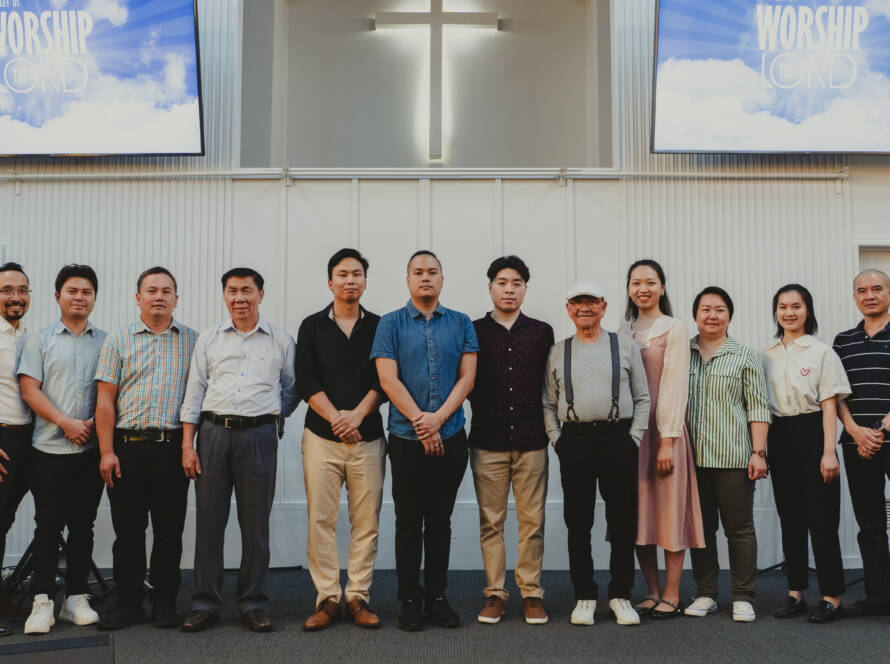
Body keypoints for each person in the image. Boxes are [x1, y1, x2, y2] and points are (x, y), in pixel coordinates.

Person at [179, 267, 297, 633]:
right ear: (225, 296)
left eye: (247, 290)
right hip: (213, 435)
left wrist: (267, 416)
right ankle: (205, 603)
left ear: (261, 294)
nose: (239, 298)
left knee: (255, 525)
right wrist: (187, 445)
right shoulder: (210, 339)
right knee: (209, 523)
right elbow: (195, 391)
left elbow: (291, 390)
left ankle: (253, 603)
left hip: (258, 437)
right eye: (232, 291)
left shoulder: (281, 341)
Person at [371, 250, 478, 631]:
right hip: (406, 438)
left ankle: (437, 597)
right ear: (408, 280)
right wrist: (422, 423)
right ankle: (409, 599)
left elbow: (467, 378)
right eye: (418, 272)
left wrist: (438, 420)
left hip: (451, 436)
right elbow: (387, 380)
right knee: (407, 520)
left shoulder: (462, 322)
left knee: (439, 521)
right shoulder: (390, 324)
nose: (425, 277)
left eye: (432, 271)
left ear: (442, 279)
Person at [93, 267, 198, 630]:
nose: (159, 297)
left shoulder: (193, 341)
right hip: (127, 448)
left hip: (172, 449)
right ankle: (128, 603)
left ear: (176, 299)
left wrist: (189, 446)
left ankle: (165, 602)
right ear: (138, 297)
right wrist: (106, 451)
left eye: (166, 291)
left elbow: (198, 399)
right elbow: (104, 401)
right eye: (151, 290)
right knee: (128, 532)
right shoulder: (118, 340)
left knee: (169, 532)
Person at [542, 282, 650, 627]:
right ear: (568, 308)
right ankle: (584, 595)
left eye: (592, 302)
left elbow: (643, 398)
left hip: (617, 438)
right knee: (578, 522)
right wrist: (557, 440)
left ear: (603, 307)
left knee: (622, 521)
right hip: (574, 440)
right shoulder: (558, 351)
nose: (584, 307)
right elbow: (547, 403)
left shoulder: (626, 346)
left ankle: (621, 595)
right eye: (578, 302)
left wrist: (633, 438)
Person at [295, 249, 385, 631]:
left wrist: (358, 416)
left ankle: (358, 596)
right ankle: (328, 598)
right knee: (321, 519)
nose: (350, 280)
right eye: (343, 274)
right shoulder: (312, 326)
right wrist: (337, 419)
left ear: (365, 281)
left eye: (357, 273)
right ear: (330, 281)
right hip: (322, 437)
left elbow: (385, 379)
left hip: (368, 438)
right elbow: (305, 379)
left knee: (366, 521)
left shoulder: (381, 326)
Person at [18, 264, 107, 635]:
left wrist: (91, 424)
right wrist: (66, 422)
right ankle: (42, 600)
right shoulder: (39, 341)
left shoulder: (107, 342)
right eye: (72, 291)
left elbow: (111, 392)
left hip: (90, 451)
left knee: (83, 525)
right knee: (48, 525)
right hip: (48, 450)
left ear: (94, 298)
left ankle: (75, 597)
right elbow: (30, 390)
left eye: (86, 292)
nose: (79, 297)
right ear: (57, 296)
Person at [469, 256, 554, 625]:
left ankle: (531, 593)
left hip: (532, 440)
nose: (509, 289)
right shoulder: (472, 331)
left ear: (525, 289)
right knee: (492, 522)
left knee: (532, 522)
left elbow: (549, 386)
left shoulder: (541, 332)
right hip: (487, 441)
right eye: (502, 282)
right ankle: (495, 593)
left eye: (516, 283)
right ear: (490, 287)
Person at [621, 260, 703, 620]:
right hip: (632, 434)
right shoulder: (622, 330)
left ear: (662, 287)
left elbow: (674, 385)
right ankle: (652, 591)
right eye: (636, 283)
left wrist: (668, 439)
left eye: (650, 282)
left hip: (664, 431)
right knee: (639, 513)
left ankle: (672, 592)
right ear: (628, 289)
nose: (643, 289)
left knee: (670, 510)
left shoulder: (674, 327)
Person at [763, 284, 850, 623]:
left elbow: (829, 404)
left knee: (822, 519)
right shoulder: (766, 355)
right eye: (782, 306)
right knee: (791, 519)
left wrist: (829, 452)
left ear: (807, 311)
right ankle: (795, 593)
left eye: (796, 306)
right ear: (776, 312)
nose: (789, 312)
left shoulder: (822, 352)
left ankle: (831, 597)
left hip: (813, 433)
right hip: (779, 435)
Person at [684, 286, 770, 623]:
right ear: (695, 315)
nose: (712, 315)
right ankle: (706, 593)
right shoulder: (683, 353)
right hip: (692, 460)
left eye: (719, 309)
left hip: (733, 458)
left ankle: (743, 596)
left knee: (739, 529)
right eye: (705, 309)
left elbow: (758, 407)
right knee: (701, 530)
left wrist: (758, 452)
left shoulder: (745, 355)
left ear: (729, 316)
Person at [832, 269, 890, 616]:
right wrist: (854, 430)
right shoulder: (843, 341)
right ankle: (878, 597)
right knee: (870, 524)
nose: (870, 295)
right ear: (855, 297)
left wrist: (881, 428)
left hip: (884, 436)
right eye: (862, 290)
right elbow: (836, 393)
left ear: (888, 293)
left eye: (877, 289)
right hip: (857, 444)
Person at [0, 262, 33, 636]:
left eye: (22, 290)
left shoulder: (27, 336)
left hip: (30, 439)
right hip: (3, 438)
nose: (16, 297)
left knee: (5, 520)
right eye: (7, 290)